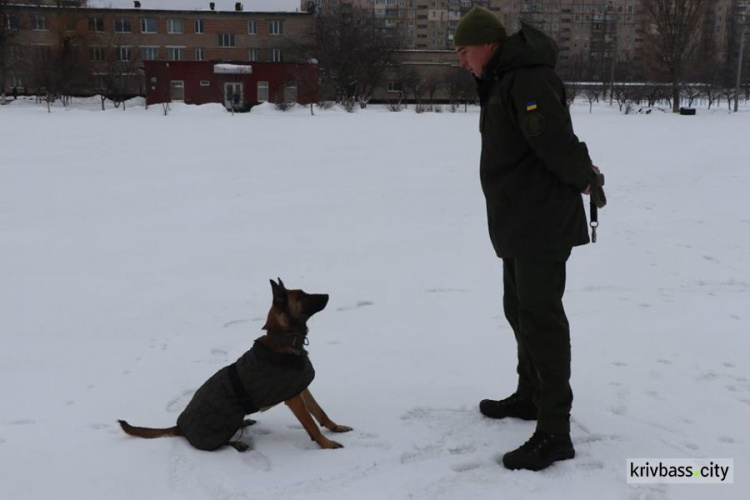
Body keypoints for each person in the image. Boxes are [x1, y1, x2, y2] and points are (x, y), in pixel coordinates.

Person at [454, 6, 600, 471]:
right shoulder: (502, 79)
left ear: (488, 45)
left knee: (541, 319)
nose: (462, 61)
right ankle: (530, 395)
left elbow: (554, 141)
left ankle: (554, 430)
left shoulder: (527, 79)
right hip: (519, 220)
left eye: (464, 51)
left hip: (540, 221)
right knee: (518, 309)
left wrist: (587, 179)